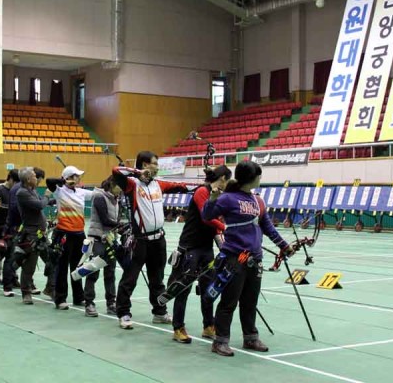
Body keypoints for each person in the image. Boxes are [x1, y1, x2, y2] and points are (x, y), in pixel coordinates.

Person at [202, 161, 293, 356]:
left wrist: (284, 246)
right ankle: (220, 341)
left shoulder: (258, 200)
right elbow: (207, 216)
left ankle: (250, 337)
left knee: (250, 302)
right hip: (235, 258)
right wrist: (212, 199)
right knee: (229, 302)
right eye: (259, 175)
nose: (260, 178)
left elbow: (267, 227)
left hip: (255, 259)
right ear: (251, 178)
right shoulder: (228, 198)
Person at [112, 151, 189, 329]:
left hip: (158, 240)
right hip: (140, 241)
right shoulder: (132, 184)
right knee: (130, 278)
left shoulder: (158, 184)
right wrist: (138, 173)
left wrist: (206, 185)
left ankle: (159, 312)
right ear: (145, 165)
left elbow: (182, 186)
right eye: (154, 163)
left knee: (157, 279)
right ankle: (123, 313)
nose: (157, 167)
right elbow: (116, 171)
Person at [168, 165, 231, 344]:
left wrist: (225, 242)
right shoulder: (202, 191)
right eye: (228, 181)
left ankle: (208, 326)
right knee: (183, 289)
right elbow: (206, 216)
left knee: (208, 288)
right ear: (223, 178)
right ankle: (178, 328)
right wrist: (225, 227)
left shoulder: (219, 195)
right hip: (190, 248)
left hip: (206, 248)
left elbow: (216, 221)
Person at [46, 165, 93, 310]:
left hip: (79, 234)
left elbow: (99, 194)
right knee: (62, 267)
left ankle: (78, 297)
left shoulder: (81, 192)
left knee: (77, 266)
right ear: (69, 178)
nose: (79, 178)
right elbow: (49, 181)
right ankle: (60, 298)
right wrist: (63, 181)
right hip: (64, 233)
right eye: (76, 176)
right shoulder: (59, 191)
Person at [83, 176, 123, 317]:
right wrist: (121, 226)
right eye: (120, 186)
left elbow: (115, 221)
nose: (122, 189)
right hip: (97, 239)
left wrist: (119, 228)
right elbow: (105, 220)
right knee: (93, 272)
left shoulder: (117, 199)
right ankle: (89, 303)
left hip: (110, 240)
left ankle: (111, 303)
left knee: (110, 273)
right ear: (112, 184)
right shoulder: (99, 197)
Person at [16, 167, 52, 304]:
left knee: (52, 260)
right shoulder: (22, 193)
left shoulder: (32, 191)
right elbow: (39, 205)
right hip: (31, 234)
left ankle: (50, 288)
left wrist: (51, 201)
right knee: (29, 265)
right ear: (28, 179)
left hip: (41, 234)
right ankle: (26, 292)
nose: (36, 178)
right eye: (34, 176)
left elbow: (40, 204)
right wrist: (47, 196)